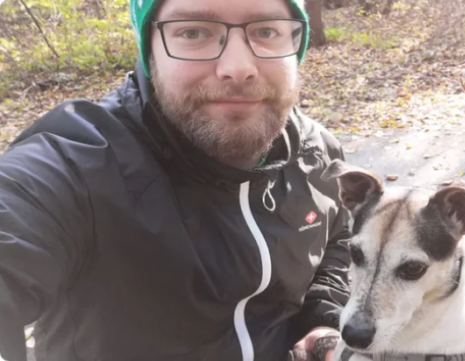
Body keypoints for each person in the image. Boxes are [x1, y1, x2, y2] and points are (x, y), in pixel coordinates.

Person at [0, 0, 352, 360]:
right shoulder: (77, 164)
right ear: (148, 48)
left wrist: (323, 319)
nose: (238, 68)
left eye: (266, 31)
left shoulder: (318, 154)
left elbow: (338, 237)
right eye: (193, 32)